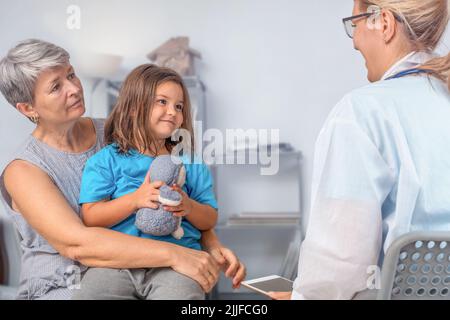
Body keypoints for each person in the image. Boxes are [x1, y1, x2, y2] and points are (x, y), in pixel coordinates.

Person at [0, 39, 245, 300]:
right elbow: (78, 244)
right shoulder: (24, 170)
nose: (73, 88)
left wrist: (211, 245)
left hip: (147, 273)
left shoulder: (123, 132)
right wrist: (176, 255)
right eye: (56, 86)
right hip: (64, 287)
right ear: (28, 108)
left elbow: (183, 195)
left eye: (71, 74)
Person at [270, 0, 450, 300]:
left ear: (384, 23)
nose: (354, 41)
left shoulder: (361, 113)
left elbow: (339, 271)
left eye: (355, 24)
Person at [72, 64, 219, 299]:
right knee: (90, 294)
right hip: (117, 263)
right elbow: (91, 217)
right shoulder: (106, 160)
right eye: (162, 101)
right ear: (132, 107)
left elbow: (210, 218)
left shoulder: (190, 162)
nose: (172, 111)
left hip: (177, 264)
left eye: (179, 106)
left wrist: (189, 207)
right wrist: (134, 200)